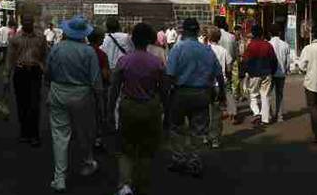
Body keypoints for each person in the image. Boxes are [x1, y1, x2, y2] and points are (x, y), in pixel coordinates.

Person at [45, 16, 102, 193]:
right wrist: (100, 100)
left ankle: (60, 177)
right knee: (84, 132)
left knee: (60, 135)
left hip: (58, 91)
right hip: (81, 94)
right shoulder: (89, 52)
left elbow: (48, 73)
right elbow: (95, 80)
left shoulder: (56, 48)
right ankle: (87, 162)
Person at [109, 23, 165, 195]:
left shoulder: (124, 60)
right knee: (146, 150)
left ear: (132, 40)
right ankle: (142, 184)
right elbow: (164, 89)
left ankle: (125, 184)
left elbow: (114, 88)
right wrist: (166, 111)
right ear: (149, 40)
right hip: (150, 107)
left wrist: (110, 111)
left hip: (129, 106)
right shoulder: (157, 62)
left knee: (126, 147)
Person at [167, 18, 225, 177]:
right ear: (198, 32)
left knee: (177, 128)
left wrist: (167, 96)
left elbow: (170, 75)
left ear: (183, 32)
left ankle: (178, 159)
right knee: (198, 131)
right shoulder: (207, 50)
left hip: (181, 93)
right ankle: (194, 161)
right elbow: (219, 75)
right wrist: (222, 94)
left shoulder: (177, 49)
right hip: (202, 94)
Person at [7, 14, 47, 147]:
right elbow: (10, 58)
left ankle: (34, 135)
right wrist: (6, 76)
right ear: (22, 22)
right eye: (25, 21)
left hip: (35, 72)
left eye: (30, 21)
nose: (28, 23)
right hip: (20, 72)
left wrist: (45, 71)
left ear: (33, 22)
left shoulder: (41, 37)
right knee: (22, 104)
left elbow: (44, 55)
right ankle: (24, 133)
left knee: (34, 104)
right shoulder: (15, 38)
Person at [242, 24, 278, 126]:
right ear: (262, 34)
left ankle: (257, 113)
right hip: (267, 73)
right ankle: (265, 119)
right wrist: (272, 71)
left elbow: (246, 61)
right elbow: (274, 60)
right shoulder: (268, 45)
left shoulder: (250, 45)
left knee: (253, 95)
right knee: (265, 95)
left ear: (253, 34)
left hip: (254, 74)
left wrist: (247, 72)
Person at [208, 26, 237, 140]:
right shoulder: (223, 51)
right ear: (219, 38)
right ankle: (215, 138)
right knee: (217, 113)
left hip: (207, 84)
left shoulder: (205, 49)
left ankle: (207, 136)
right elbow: (229, 67)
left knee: (207, 112)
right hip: (221, 83)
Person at [87, 27, 111, 149]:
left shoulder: (83, 51)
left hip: (82, 88)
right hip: (98, 88)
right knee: (98, 114)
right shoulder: (101, 54)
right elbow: (105, 74)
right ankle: (97, 138)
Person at [269, 23, 291, 122]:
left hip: (269, 73)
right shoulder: (285, 45)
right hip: (281, 73)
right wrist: (286, 70)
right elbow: (287, 61)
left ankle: (268, 114)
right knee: (279, 95)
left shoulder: (268, 44)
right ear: (280, 33)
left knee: (267, 94)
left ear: (270, 33)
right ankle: (279, 115)